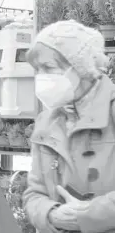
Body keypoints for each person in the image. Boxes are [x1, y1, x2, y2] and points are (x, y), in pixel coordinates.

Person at [23, 20, 115, 233]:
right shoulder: (46, 122)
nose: (41, 77)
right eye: (37, 69)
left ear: (79, 68)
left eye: (48, 68)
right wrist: (51, 214)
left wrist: (88, 215)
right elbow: (33, 193)